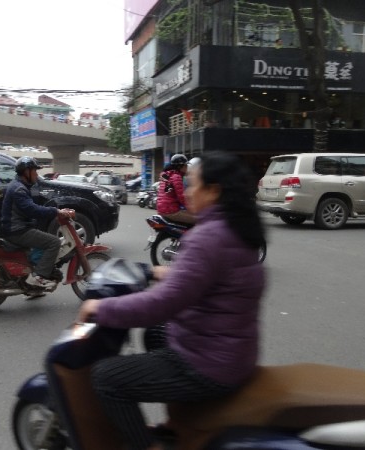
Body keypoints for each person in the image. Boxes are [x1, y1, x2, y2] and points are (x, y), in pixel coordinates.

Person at [77, 151, 266, 450]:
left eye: (193, 185)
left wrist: (100, 308)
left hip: (210, 362)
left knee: (106, 379)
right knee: (156, 333)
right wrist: (154, 271)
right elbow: (207, 278)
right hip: (232, 348)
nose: (188, 192)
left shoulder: (208, 237)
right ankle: (180, 421)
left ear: (214, 191)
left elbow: (161, 304)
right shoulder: (236, 227)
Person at [0, 156, 73, 289]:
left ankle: (35, 287)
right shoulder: (19, 189)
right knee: (54, 242)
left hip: (16, 228)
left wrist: (52, 210)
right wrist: (55, 211)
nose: (36, 174)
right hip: (17, 231)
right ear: (26, 172)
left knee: (43, 239)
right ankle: (39, 277)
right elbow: (31, 209)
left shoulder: (19, 186)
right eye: (35, 171)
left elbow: (32, 207)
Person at [156, 154, 195, 226]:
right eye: (185, 165)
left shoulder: (167, 175)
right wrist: (192, 208)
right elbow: (181, 197)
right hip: (170, 210)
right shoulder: (176, 177)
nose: (187, 168)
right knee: (198, 219)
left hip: (161, 209)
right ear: (179, 166)